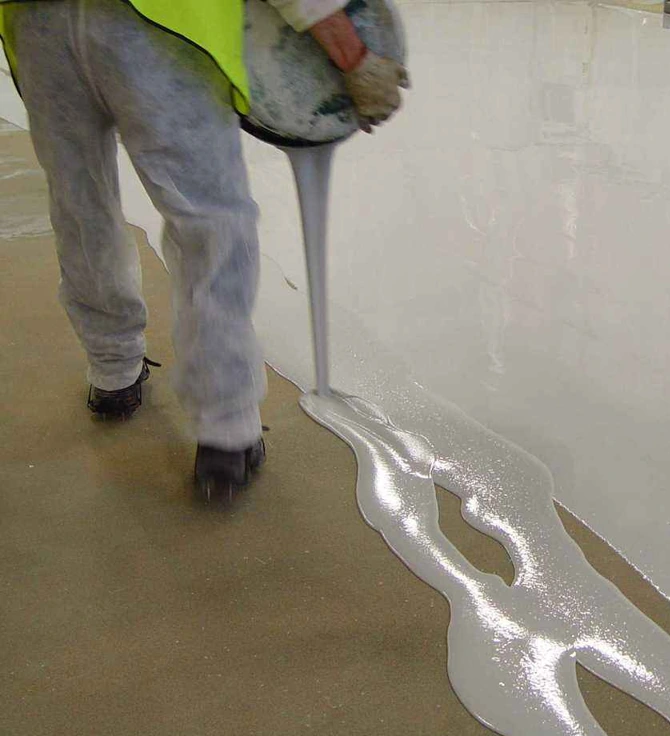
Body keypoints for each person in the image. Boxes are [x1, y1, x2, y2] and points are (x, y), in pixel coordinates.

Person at [0, 0, 407, 498]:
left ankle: (112, 373)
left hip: (38, 23)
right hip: (160, 24)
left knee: (80, 207)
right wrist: (352, 53)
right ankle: (225, 432)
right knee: (208, 222)